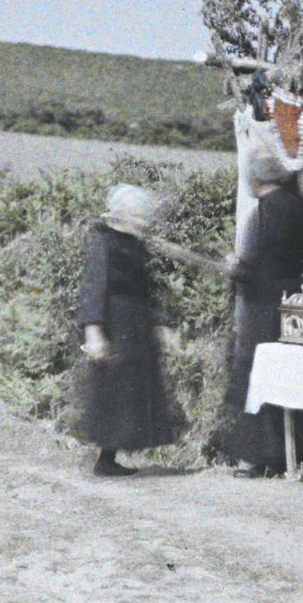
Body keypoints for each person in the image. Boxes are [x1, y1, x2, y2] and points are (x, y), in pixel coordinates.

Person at [72, 184, 180, 477]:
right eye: (137, 215)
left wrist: (159, 326)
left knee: (130, 389)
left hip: (136, 325)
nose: (142, 221)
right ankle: (105, 460)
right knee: (115, 389)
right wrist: (93, 331)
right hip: (116, 323)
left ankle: (110, 458)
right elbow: (94, 286)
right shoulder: (102, 240)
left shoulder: (133, 243)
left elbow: (144, 288)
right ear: (122, 214)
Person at [220, 182, 303, 477]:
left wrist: (231, 267)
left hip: (261, 302)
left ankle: (252, 458)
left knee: (255, 373)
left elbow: (249, 262)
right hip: (291, 297)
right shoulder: (301, 206)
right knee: (284, 373)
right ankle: (287, 454)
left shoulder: (261, 212)